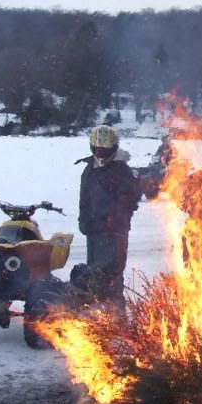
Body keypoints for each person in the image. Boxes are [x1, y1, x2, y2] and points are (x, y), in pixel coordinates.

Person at [77, 125, 141, 302]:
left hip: (114, 232)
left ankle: (115, 309)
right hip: (93, 229)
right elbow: (84, 198)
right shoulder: (90, 168)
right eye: (98, 148)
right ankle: (97, 308)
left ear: (113, 148)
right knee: (94, 272)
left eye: (105, 149)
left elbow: (130, 199)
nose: (101, 152)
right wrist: (84, 220)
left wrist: (113, 219)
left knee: (111, 273)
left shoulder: (121, 170)